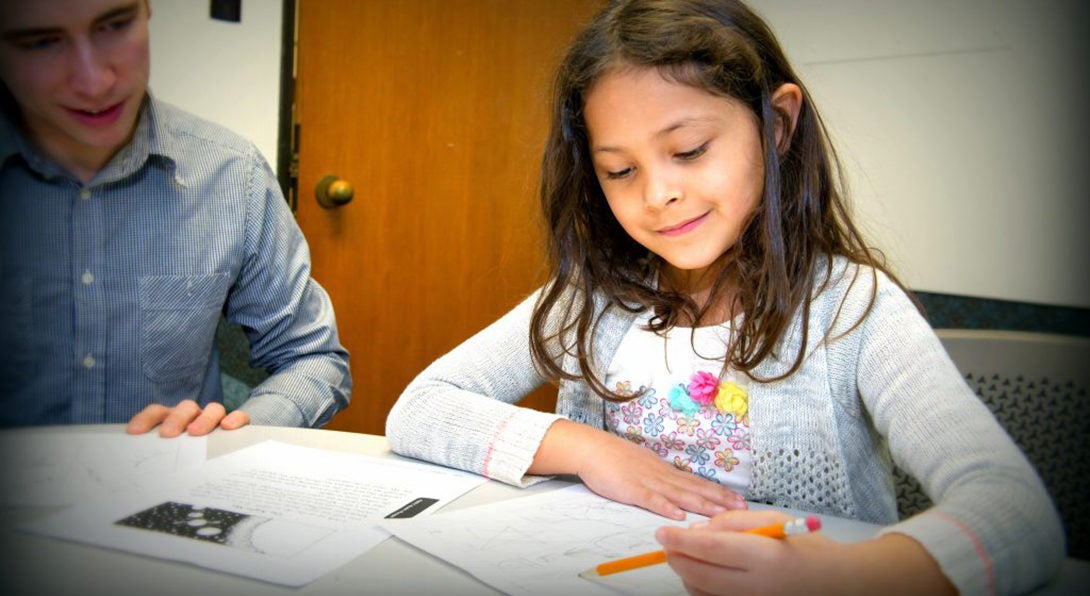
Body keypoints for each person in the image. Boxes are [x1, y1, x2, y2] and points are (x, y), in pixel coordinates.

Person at [385, 0, 1063, 593]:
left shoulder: (853, 308)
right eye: (619, 170)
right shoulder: (592, 298)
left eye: (688, 150)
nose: (657, 195)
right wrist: (588, 449)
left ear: (776, 125)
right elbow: (420, 409)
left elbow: (1015, 513)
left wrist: (852, 578)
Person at [0, 0, 351, 437]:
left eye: (114, 25)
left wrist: (231, 430)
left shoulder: (231, 173)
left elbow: (312, 357)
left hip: (173, 492)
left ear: (147, 10)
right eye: (41, 42)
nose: (95, 81)